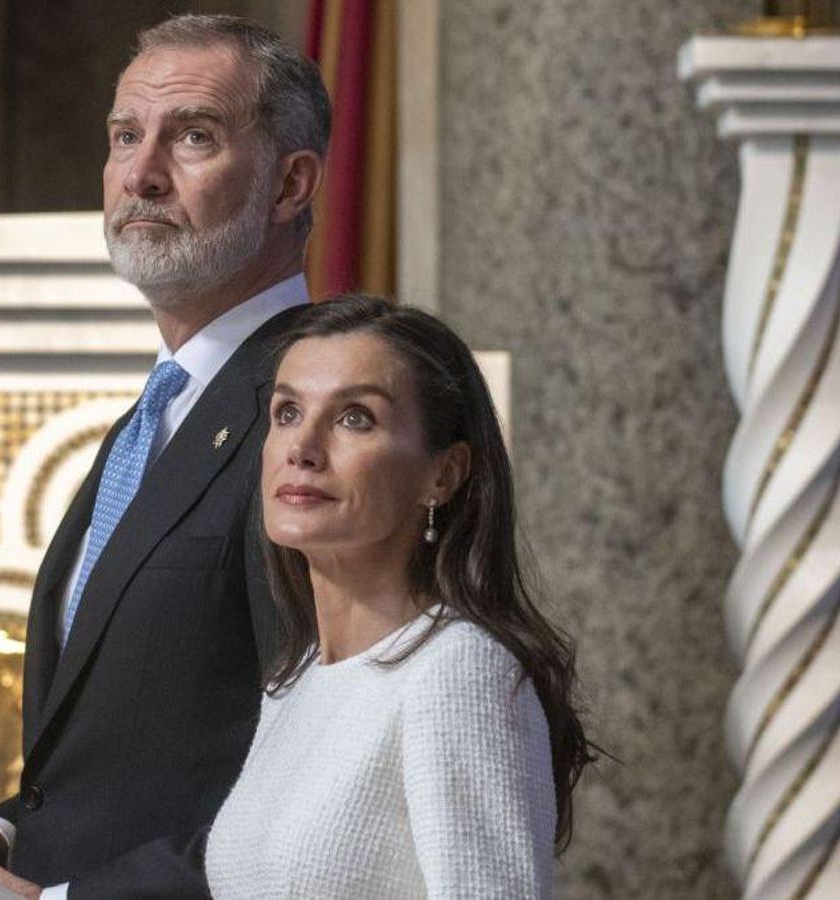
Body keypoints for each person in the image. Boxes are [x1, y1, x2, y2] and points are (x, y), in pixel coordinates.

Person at [0, 14, 329, 899]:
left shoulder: (312, 411)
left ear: (290, 184)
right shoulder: (161, 408)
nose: (141, 174)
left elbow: (320, 775)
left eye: (192, 136)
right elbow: (141, 747)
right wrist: (10, 833)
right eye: (125, 137)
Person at [203, 295, 594, 898]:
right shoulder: (296, 679)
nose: (301, 447)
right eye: (286, 412)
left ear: (443, 474)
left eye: (355, 418)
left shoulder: (458, 671)